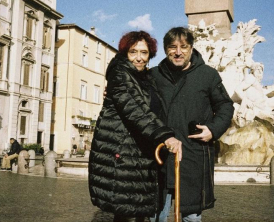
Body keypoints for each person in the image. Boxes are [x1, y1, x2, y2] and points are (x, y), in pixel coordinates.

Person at [88, 31, 182, 222]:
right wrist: (165, 136)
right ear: (125, 53)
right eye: (133, 52)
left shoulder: (145, 77)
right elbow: (135, 109)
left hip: (140, 156)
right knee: (126, 213)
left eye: (144, 53)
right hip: (123, 155)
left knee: (138, 212)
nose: (139, 57)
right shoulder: (120, 73)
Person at [150, 27, 234, 222]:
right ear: (165, 49)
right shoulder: (154, 75)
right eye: (172, 47)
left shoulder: (208, 75)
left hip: (193, 155)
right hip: (161, 155)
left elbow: (225, 105)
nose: (178, 52)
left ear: (191, 48)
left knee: (191, 218)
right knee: (156, 217)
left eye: (183, 47)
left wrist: (213, 129)